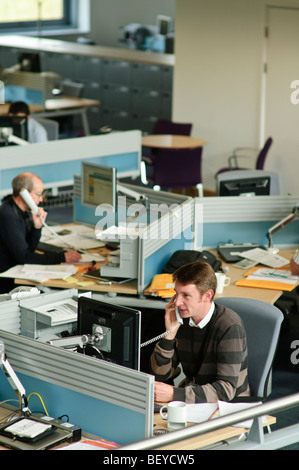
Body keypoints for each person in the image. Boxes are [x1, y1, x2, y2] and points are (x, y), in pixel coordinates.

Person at [150, 261, 250, 404]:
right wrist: (168, 336)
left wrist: (175, 394)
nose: (177, 302)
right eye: (176, 294)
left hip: (228, 406)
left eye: (186, 295)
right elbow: (160, 376)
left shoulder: (229, 326)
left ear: (207, 296)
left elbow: (226, 390)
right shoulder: (180, 319)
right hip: (194, 399)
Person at [0, 172, 81, 293]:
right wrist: (61, 257)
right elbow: (24, 257)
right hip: (6, 281)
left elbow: (29, 248)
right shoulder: (7, 215)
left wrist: (37, 227)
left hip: (15, 274)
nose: (41, 199)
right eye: (38, 195)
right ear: (24, 193)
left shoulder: (22, 212)